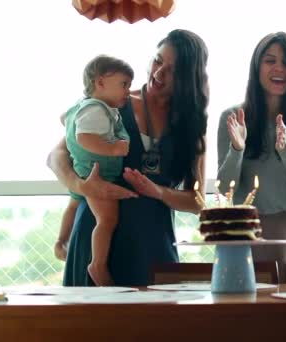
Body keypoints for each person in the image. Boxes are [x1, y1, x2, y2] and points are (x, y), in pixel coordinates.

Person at [47, 29, 209, 286]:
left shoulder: (191, 126)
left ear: (189, 78)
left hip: (153, 250)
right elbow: (56, 156)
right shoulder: (111, 102)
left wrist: (157, 191)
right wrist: (80, 185)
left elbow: (197, 201)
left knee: (153, 326)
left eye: (172, 69)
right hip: (96, 243)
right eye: (157, 61)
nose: (158, 73)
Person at [217, 32, 286, 282]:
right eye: (270, 60)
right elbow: (224, 188)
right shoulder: (232, 117)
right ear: (257, 66)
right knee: (245, 318)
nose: (279, 68)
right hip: (245, 235)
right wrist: (237, 148)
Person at [54, 55, 133, 286]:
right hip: (98, 175)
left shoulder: (81, 107)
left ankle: (61, 241)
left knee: (74, 203)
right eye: (123, 84)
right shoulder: (97, 110)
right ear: (100, 83)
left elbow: (64, 119)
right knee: (107, 219)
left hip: (82, 173)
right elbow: (85, 138)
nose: (127, 91)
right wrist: (112, 149)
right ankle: (97, 264)